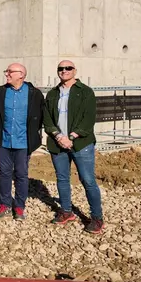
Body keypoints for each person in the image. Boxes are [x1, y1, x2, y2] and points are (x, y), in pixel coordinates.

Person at [43, 60, 104, 234]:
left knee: (88, 180)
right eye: (61, 69)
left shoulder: (85, 92)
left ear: (74, 71)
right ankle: (66, 212)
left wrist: (71, 137)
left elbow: (89, 118)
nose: (64, 71)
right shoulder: (53, 94)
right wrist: (58, 135)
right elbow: (47, 119)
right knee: (62, 179)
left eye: (68, 68)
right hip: (58, 143)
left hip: (80, 144)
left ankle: (97, 218)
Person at [0, 63, 45, 221]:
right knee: (5, 173)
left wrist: (34, 135)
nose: (6, 74)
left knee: (21, 175)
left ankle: (20, 207)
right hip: (5, 141)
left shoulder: (34, 94)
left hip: (24, 142)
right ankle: (5, 204)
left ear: (21, 75)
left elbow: (40, 116)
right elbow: (0, 116)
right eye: (6, 71)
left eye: (10, 72)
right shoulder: (1, 92)